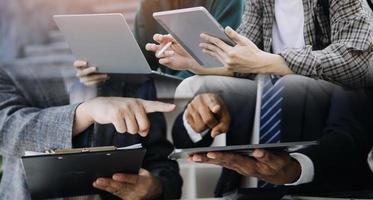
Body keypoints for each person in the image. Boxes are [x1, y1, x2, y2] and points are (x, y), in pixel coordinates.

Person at [0, 63, 182, 199]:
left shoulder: (133, 78)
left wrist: (154, 187)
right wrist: (85, 112)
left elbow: (163, 166)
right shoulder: (9, 63)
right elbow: (7, 128)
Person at [172, 75, 373, 198]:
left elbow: (349, 136)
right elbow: (183, 139)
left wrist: (298, 168)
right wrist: (196, 118)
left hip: (320, 193)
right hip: (233, 194)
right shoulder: (237, 49)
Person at [74, 0, 245, 85]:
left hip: (204, 79)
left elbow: (226, 62)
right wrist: (107, 71)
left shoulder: (229, 3)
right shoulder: (150, 3)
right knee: (93, 87)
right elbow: (141, 61)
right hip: (162, 84)